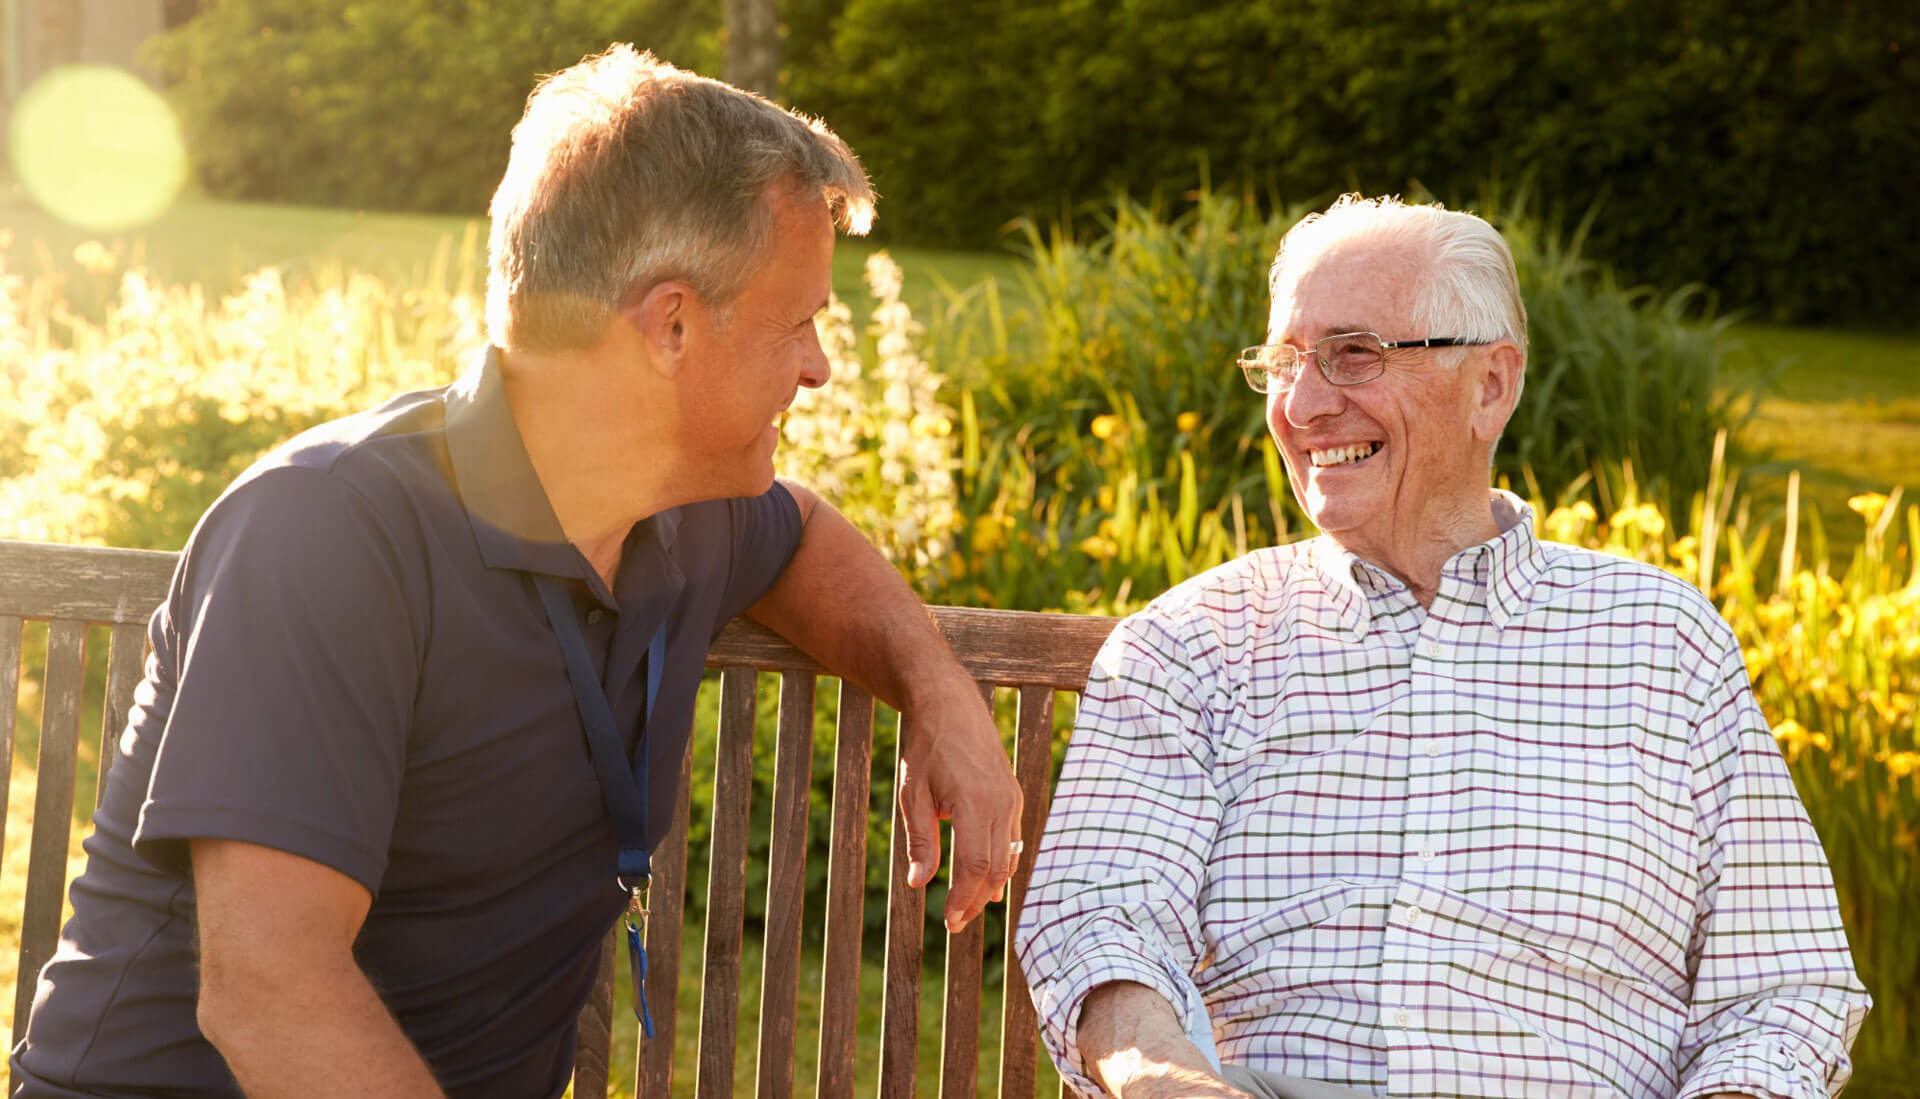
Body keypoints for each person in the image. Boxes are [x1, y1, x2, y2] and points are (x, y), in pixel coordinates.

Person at [12, 46, 1021, 1097]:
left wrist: (939, 690)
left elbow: (806, 535)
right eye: (800, 321)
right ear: (670, 325)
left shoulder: (680, 513)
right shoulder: (327, 533)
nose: (819, 364)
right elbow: (269, 989)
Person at [1014, 194, 1869, 1099]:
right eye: (1283, 363)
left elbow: (1783, 986)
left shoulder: (1665, 645)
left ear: (1491, 385)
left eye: (1353, 355)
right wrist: (1169, 1083)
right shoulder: (1190, 647)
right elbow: (1099, 923)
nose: (1302, 406)